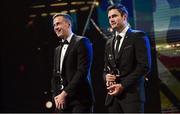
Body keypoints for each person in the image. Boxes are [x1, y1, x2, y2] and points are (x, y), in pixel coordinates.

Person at [103, 4, 151, 113]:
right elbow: (105, 68)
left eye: (114, 16)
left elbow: (144, 66)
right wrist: (107, 77)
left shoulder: (138, 36)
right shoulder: (109, 42)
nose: (111, 19)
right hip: (113, 98)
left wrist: (122, 85)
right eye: (109, 17)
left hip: (132, 96)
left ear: (124, 17)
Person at [51, 13, 94, 113]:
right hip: (62, 101)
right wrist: (56, 96)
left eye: (58, 24)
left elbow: (82, 72)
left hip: (80, 100)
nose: (55, 27)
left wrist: (64, 93)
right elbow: (55, 76)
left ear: (68, 24)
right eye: (54, 25)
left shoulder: (82, 42)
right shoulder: (57, 49)